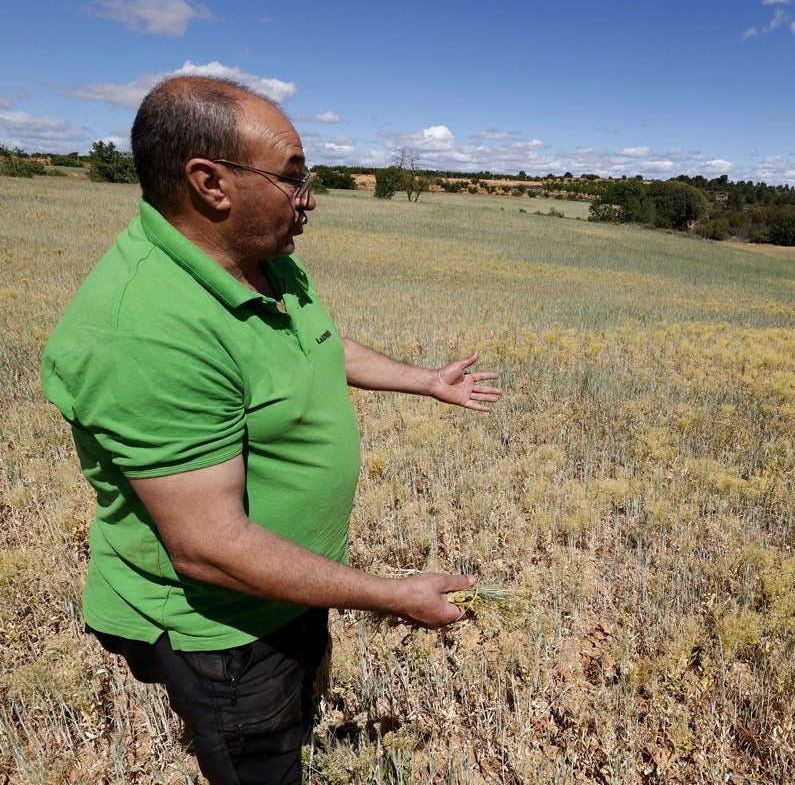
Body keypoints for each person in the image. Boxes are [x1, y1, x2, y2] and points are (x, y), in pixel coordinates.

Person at [40, 75, 502, 785]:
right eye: (292, 178)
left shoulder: (267, 264)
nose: (309, 196)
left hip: (286, 591)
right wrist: (391, 594)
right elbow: (210, 549)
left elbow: (319, 346)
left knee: (293, 725)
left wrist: (424, 380)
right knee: (263, 765)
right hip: (222, 632)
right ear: (210, 183)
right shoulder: (146, 330)